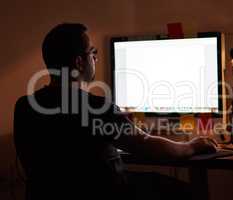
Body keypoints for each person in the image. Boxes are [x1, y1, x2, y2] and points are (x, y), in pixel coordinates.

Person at [13, 23, 217, 200]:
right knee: (184, 192)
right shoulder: (97, 107)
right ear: (79, 61)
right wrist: (191, 146)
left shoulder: (24, 107)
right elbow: (146, 145)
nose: (96, 59)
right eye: (93, 53)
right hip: (106, 194)